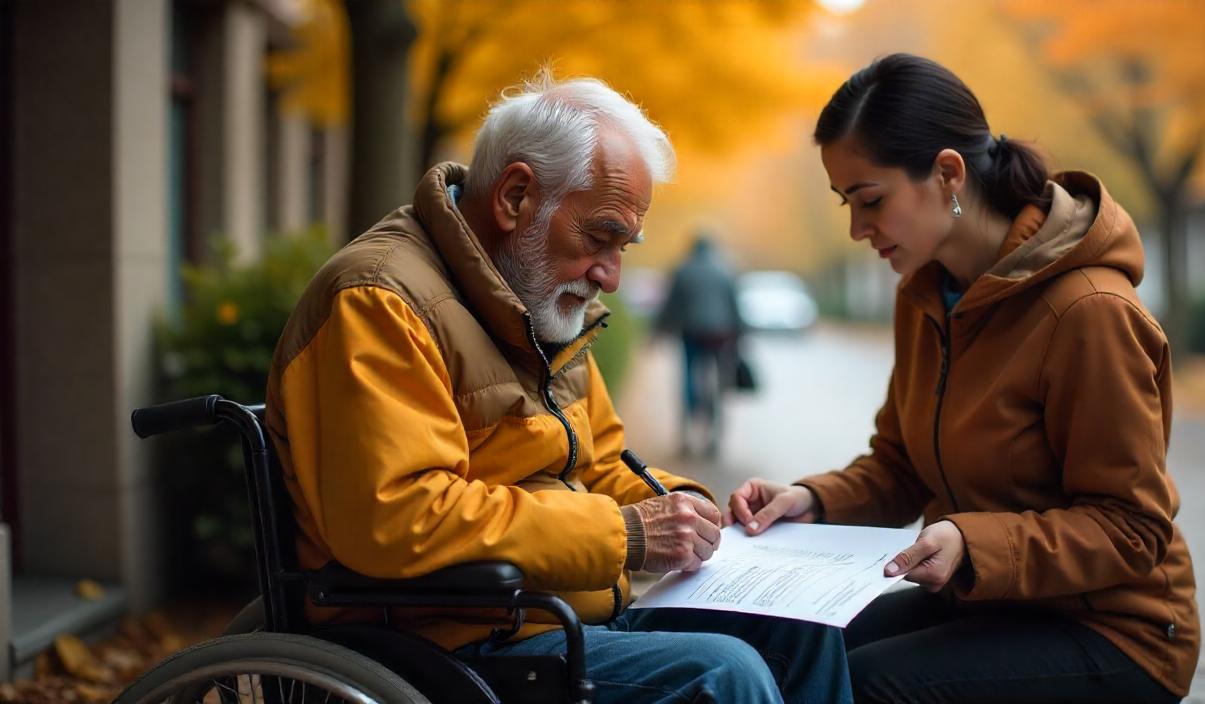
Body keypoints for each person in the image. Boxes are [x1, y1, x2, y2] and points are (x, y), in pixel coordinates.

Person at [265, 71, 849, 703]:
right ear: (515, 197)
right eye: (600, 237)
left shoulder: (538, 298)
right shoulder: (378, 299)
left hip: (555, 616)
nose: (611, 276)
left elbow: (602, 464)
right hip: (451, 641)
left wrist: (686, 507)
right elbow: (397, 516)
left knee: (802, 629)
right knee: (723, 673)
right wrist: (625, 534)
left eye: (625, 245)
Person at [727, 54, 1199, 703]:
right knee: (798, 649)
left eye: (871, 200)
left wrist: (971, 543)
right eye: (846, 203)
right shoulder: (926, 295)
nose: (857, 229)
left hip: (1115, 630)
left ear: (948, 173)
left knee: (864, 686)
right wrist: (812, 500)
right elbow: (900, 467)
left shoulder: (1089, 312)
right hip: (991, 602)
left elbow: (1131, 529)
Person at [654, 232, 745, 457]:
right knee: (718, 382)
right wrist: (741, 334)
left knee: (687, 378)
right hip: (720, 334)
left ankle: (686, 434)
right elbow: (735, 305)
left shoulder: (683, 270)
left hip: (691, 331)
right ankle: (714, 434)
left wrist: (658, 331)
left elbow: (670, 305)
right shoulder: (725, 269)